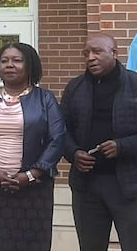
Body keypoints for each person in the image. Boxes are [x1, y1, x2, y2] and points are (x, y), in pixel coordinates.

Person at [0, 42, 65, 251]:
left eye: (16, 60)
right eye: (4, 61)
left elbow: (57, 139)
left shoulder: (45, 99)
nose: (9, 65)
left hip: (34, 189)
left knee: (33, 244)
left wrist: (30, 175)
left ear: (29, 66)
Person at [61, 33, 137, 251]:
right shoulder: (75, 88)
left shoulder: (134, 84)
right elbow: (61, 130)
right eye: (86, 53)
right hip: (87, 186)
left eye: (97, 52)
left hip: (129, 185)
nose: (90, 58)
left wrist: (122, 146)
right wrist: (74, 153)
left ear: (114, 53)